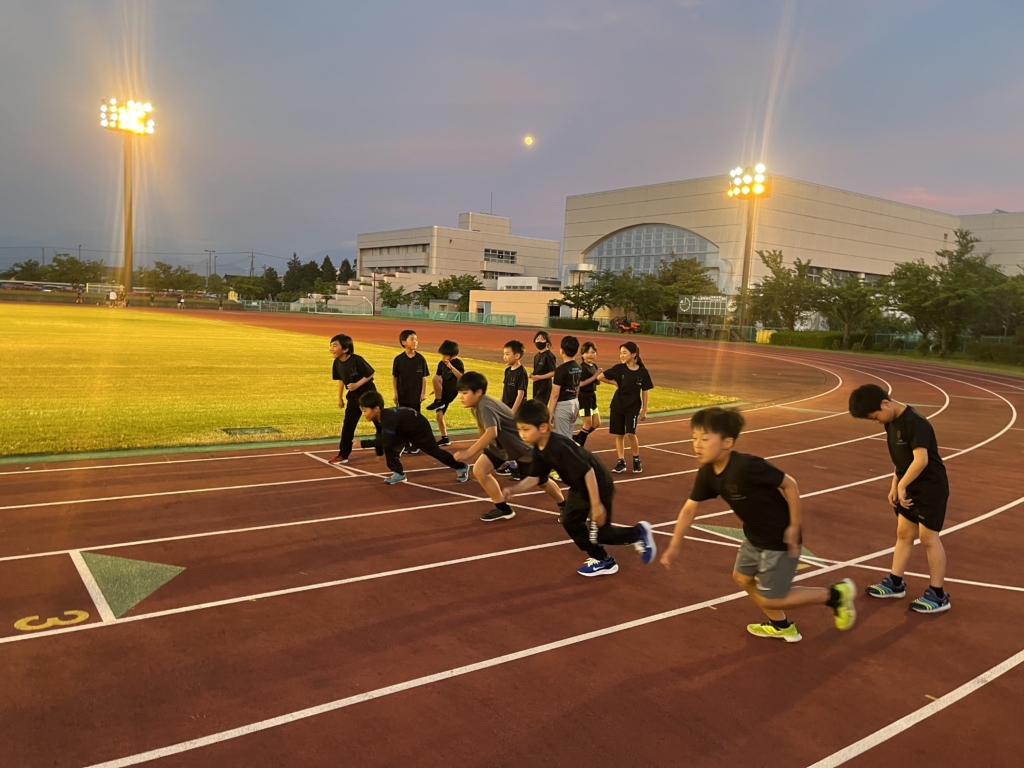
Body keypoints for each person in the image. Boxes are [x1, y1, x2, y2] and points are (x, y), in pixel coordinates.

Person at [660, 407, 856, 642]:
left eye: (705, 439)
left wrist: (794, 527)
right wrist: (674, 545)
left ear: (727, 442)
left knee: (771, 598)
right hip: (754, 536)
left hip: (779, 538)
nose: (697, 445)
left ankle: (835, 595)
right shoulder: (707, 473)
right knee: (742, 577)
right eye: (694, 438)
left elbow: (790, 485)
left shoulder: (747, 466)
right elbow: (690, 508)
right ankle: (781, 625)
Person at [506, 400, 657, 577]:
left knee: (600, 534)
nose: (521, 434)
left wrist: (596, 505)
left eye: (526, 429)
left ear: (543, 428)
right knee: (570, 522)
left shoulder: (558, 447)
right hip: (580, 487)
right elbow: (536, 477)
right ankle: (602, 558)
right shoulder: (541, 447)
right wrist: (514, 489)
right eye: (520, 429)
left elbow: (588, 471)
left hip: (597, 485)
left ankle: (637, 534)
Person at [849, 384, 951, 613]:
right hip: (908, 486)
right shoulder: (890, 421)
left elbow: (921, 460)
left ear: (886, 403)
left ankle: (938, 594)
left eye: (875, 416)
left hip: (930, 488)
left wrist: (903, 484)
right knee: (903, 533)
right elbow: (901, 461)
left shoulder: (916, 422)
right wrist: (895, 485)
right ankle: (895, 583)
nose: (877, 421)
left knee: (928, 538)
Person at [453, 371, 563, 522]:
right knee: (480, 469)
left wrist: (469, 452)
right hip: (501, 446)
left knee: (541, 481)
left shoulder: (485, 406)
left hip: (522, 447)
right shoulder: (476, 406)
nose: (461, 397)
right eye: (460, 393)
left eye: (464, 393)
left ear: (478, 392)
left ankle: (564, 505)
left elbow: (492, 432)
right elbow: (483, 430)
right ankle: (503, 508)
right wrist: (484, 451)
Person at [358, 392, 469, 485]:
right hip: (402, 428)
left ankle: (461, 467)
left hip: (418, 427)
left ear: (376, 409)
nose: (363, 414)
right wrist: (378, 453)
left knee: (434, 451)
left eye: (364, 410)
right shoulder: (377, 418)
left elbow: (385, 439)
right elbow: (381, 435)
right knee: (390, 446)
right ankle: (399, 474)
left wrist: (363, 444)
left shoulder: (388, 419)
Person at [599, 341, 654, 474]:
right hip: (618, 405)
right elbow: (601, 376)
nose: (621, 356)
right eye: (620, 353)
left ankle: (636, 459)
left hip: (633, 407)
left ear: (634, 354)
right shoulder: (619, 369)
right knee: (619, 434)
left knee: (630, 432)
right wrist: (614, 382)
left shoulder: (642, 372)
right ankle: (621, 461)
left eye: (624, 353)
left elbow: (645, 391)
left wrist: (644, 410)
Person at [328, 333, 376, 465]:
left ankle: (391, 446)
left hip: (368, 395)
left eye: (335, 345)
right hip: (353, 398)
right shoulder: (337, 363)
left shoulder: (357, 360)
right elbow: (341, 381)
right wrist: (340, 398)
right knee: (348, 426)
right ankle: (343, 454)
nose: (331, 348)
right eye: (330, 345)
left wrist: (356, 385)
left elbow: (370, 373)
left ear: (345, 349)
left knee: (380, 424)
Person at [392, 329, 429, 455]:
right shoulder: (398, 359)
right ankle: (405, 444)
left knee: (415, 420)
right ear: (403, 342)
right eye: (412, 339)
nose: (415, 342)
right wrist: (396, 393)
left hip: (415, 396)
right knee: (403, 420)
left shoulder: (420, 359)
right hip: (403, 395)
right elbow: (395, 377)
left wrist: (423, 393)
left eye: (416, 339)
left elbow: (424, 377)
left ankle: (415, 444)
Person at [425, 340, 465, 446]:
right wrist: (436, 389)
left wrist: (451, 367)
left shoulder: (458, 363)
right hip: (443, 390)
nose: (443, 357)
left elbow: (462, 377)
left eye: (445, 355)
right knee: (439, 416)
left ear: (453, 355)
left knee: (434, 378)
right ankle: (445, 438)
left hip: (451, 390)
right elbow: (439, 377)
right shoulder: (441, 364)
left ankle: (438, 401)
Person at [548, 336, 582, 440]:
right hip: (574, 402)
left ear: (561, 350)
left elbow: (555, 394)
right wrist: (577, 407)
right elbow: (577, 387)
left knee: (562, 439)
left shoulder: (560, 370)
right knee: (568, 436)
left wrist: (550, 412)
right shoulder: (578, 367)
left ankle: (568, 456)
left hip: (563, 405)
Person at [574, 341, 602, 447]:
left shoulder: (594, 365)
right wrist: (595, 376)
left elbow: (596, 380)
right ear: (582, 354)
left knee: (596, 423)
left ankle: (578, 437)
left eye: (593, 352)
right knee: (587, 424)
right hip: (584, 396)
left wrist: (598, 378)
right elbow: (580, 384)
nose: (590, 355)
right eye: (587, 352)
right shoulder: (582, 367)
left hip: (592, 396)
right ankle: (579, 446)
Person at [501, 340, 529, 413]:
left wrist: (513, 411)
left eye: (507, 354)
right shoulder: (507, 371)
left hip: (516, 411)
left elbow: (520, 394)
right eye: (504, 354)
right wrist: (500, 405)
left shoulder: (521, 372)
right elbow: (504, 390)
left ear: (517, 356)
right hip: (506, 408)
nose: (504, 357)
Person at [530, 331, 557, 406]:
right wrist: (532, 374)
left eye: (542, 339)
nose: (539, 341)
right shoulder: (536, 356)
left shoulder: (549, 356)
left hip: (544, 385)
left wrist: (539, 377)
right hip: (536, 384)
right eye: (537, 339)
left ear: (547, 342)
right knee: (535, 405)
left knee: (539, 406)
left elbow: (553, 372)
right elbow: (538, 370)